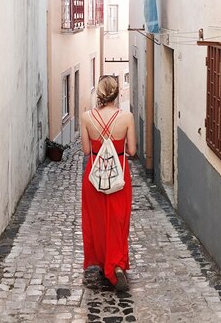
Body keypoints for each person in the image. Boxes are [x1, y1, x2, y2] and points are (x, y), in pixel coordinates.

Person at [81, 75, 137, 291]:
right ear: (117, 94)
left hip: (94, 176)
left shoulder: (87, 117)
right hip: (119, 176)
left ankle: (105, 263)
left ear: (100, 94)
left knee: (97, 221)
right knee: (117, 220)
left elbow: (86, 151)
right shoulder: (127, 118)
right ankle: (117, 265)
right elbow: (131, 151)